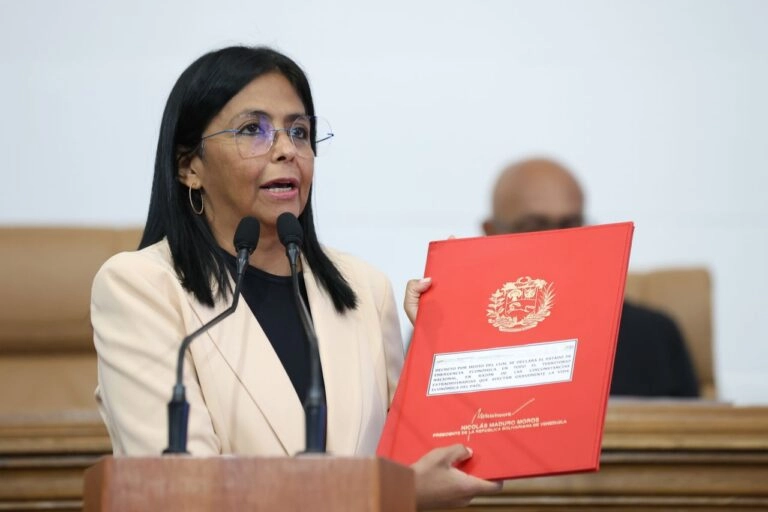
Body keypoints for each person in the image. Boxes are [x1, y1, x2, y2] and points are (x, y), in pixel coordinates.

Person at [90, 46, 500, 509]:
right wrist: (391, 495)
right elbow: (184, 493)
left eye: (299, 132)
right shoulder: (140, 287)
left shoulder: (365, 289)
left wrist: (447, 349)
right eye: (253, 129)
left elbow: (420, 461)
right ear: (190, 167)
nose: (287, 149)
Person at [478, 157, 699, 397]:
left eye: (571, 224)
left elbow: (689, 421)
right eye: (534, 227)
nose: (558, 242)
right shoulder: (466, 335)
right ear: (491, 233)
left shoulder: (652, 336)